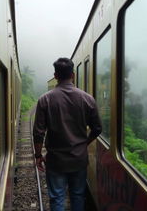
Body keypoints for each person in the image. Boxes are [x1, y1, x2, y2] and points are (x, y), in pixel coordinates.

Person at [33, 57, 102, 211]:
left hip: (56, 160)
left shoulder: (45, 99)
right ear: (73, 75)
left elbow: (38, 133)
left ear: (55, 75)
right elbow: (97, 128)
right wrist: (84, 143)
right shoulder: (87, 99)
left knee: (57, 197)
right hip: (79, 159)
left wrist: (38, 155)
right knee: (78, 195)